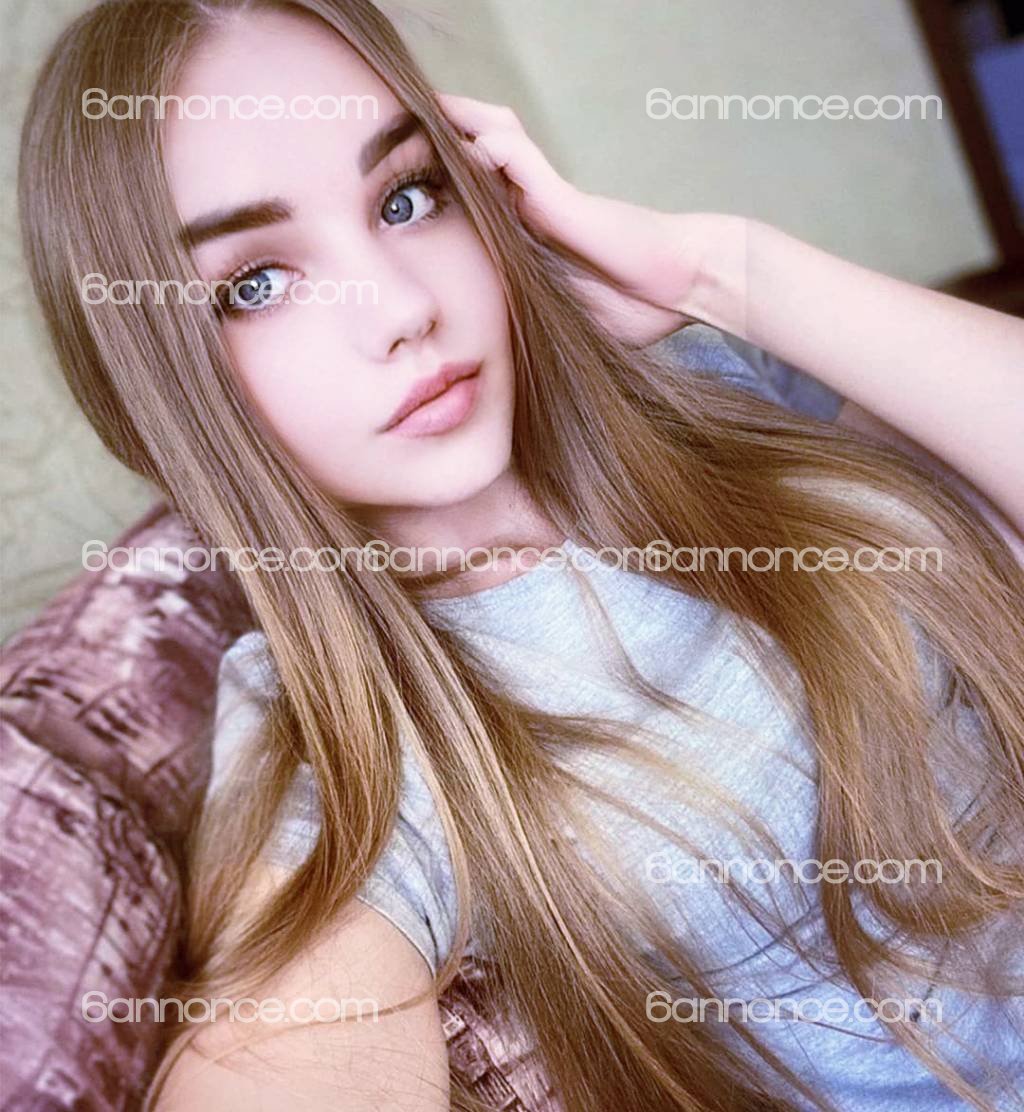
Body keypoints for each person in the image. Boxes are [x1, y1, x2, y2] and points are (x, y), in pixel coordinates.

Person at [16, 1, 1024, 1108]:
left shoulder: (708, 387)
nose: (403, 309)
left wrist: (716, 269)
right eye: (255, 283)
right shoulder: (341, 740)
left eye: (406, 197)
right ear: (158, 380)